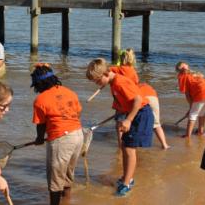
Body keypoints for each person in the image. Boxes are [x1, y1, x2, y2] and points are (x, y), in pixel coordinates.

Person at [86, 58, 154, 197]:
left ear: (106, 74)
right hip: (132, 113)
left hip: (141, 114)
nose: (97, 84)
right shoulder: (113, 83)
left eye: (98, 81)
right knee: (125, 146)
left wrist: (128, 120)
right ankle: (126, 178)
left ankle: (127, 183)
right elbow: (124, 101)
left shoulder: (120, 82)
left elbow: (138, 100)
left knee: (129, 149)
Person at [30, 63, 83, 205]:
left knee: (55, 178)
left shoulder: (41, 99)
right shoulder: (69, 92)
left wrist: (39, 139)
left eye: (36, 85)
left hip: (62, 139)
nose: (36, 89)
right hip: (78, 135)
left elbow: (41, 125)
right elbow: (77, 112)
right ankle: (67, 200)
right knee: (67, 172)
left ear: (40, 83)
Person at [110, 48, 169, 149]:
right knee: (156, 124)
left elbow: (107, 71)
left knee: (120, 123)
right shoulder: (133, 71)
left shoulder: (117, 69)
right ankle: (164, 145)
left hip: (131, 98)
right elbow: (135, 84)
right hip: (150, 96)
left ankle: (121, 146)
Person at [175, 61, 205, 137]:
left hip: (201, 93)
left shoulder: (182, 76)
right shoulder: (194, 73)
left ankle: (187, 135)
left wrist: (191, 107)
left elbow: (187, 94)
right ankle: (200, 132)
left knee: (193, 114)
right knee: (201, 113)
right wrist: (192, 107)